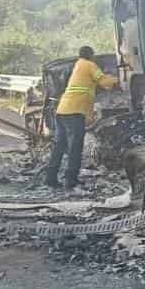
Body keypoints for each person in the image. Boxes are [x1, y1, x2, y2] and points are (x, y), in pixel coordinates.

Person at [45, 46, 118, 190]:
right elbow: (104, 82)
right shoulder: (89, 65)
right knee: (75, 147)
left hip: (62, 111)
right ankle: (70, 180)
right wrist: (119, 78)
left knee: (60, 145)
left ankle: (50, 178)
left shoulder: (77, 66)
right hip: (74, 112)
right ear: (91, 56)